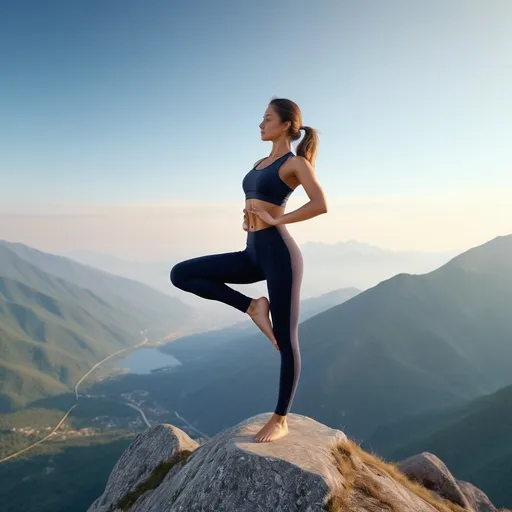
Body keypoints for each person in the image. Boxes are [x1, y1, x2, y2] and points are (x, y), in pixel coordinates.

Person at [170, 97, 328, 442]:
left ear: (286, 124)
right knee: (181, 274)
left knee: (286, 339)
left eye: (267, 118)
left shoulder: (296, 163)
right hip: (252, 252)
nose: (260, 124)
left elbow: (320, 204)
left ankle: (281, 418)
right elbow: (257, 200)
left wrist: (277, 218)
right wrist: (250, 217)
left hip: (280, 254)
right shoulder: (260, 162)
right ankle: (252, 306)